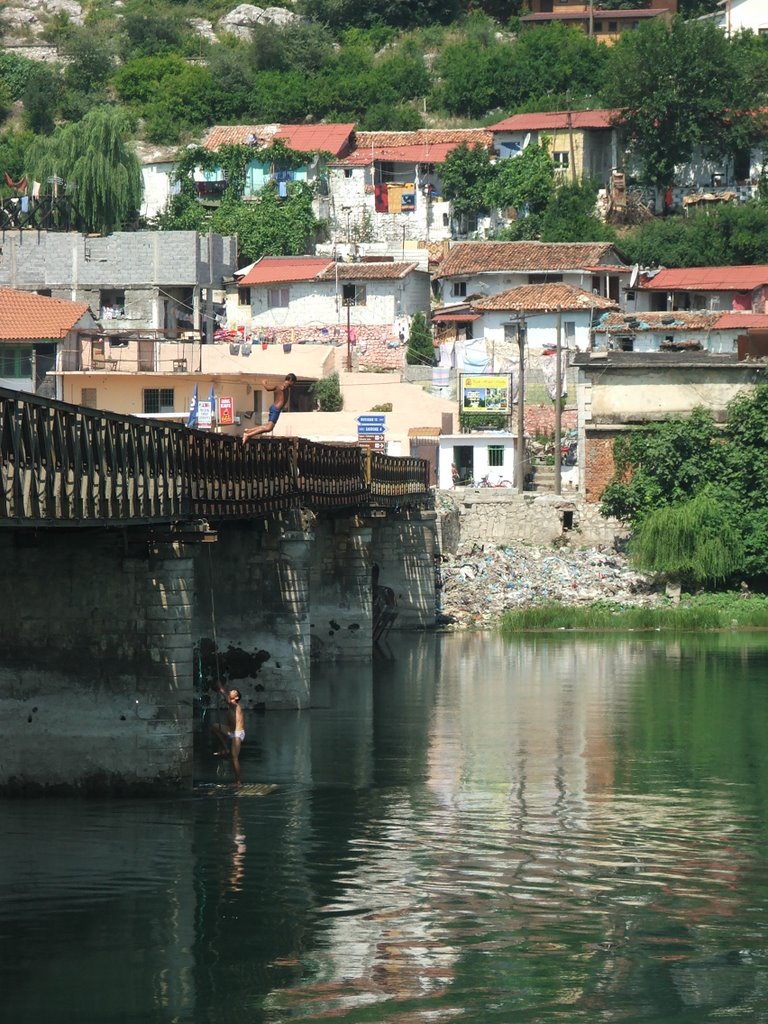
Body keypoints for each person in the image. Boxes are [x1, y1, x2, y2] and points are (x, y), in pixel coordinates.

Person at [242, 374, 297, 441]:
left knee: (267, 426)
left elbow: (268, 389)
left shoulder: (278, 386)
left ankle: (248, 430)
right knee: (269, 428)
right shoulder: (283, 386)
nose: (293, 385)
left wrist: (264, 384)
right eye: (293, 383)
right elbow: (283, 386)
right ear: (290, 380)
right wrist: (284, 386)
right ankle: (248, 434)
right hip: (276, 409)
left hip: (275, 408)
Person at [212, 683, 245, 786]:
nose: (231, 691)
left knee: (234, 757)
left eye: (233, 692)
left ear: (237, 697)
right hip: (230, 731)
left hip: (238, 734)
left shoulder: (236, 706)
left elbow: (227, 700)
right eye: (231, 690)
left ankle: (238, 781)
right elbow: (227, 701)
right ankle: (224, 748)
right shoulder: (230, 707)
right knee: (214, 726)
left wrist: (221, 689)